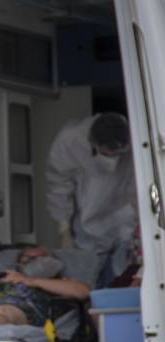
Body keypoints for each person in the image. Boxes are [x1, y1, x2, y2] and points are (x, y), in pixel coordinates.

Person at [46, 112, 138, 285]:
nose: (112, 160)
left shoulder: (139, 136)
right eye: (106, 154)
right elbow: (58, 185)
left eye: (116, 154)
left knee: (126, 277)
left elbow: (142, 183)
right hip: (89, 224)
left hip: (128, 218)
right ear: (93, 143)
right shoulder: (70, 139)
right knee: (85, 281)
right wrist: (64, 230)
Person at [0, 246, 90, 327]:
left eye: (37, 258)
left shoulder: (59, 280)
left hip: (24, 306)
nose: (30, 261)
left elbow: (84, 292)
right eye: (25, 259)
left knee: (5, 312)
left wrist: (30, 280)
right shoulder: (7, 276)